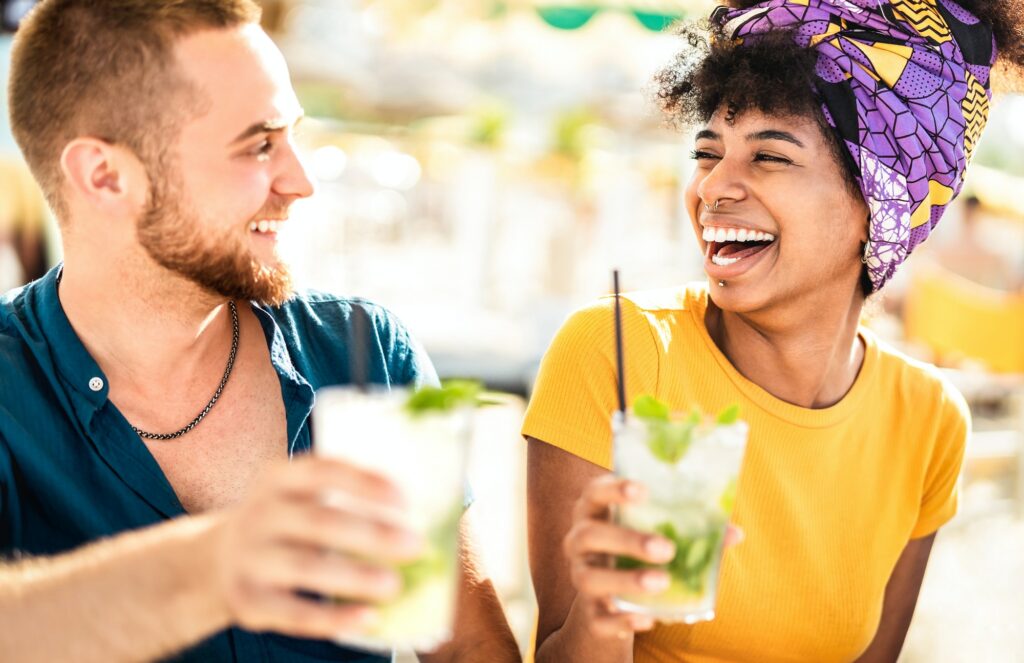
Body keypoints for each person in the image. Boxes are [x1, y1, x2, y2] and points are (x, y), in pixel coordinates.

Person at [0, 1, 519, 661]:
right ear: (105, 175)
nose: (301, 182)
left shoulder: (366, 352)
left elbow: (469, 649)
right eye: (260, 143)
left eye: (294, 136)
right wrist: (220, 562)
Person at [523, 1, 1024, 661]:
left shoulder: (928, 422)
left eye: (770, 157)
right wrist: (602, 614)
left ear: (884, 203)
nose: (713, 187)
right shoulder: (616, 351)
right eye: (709, 153)